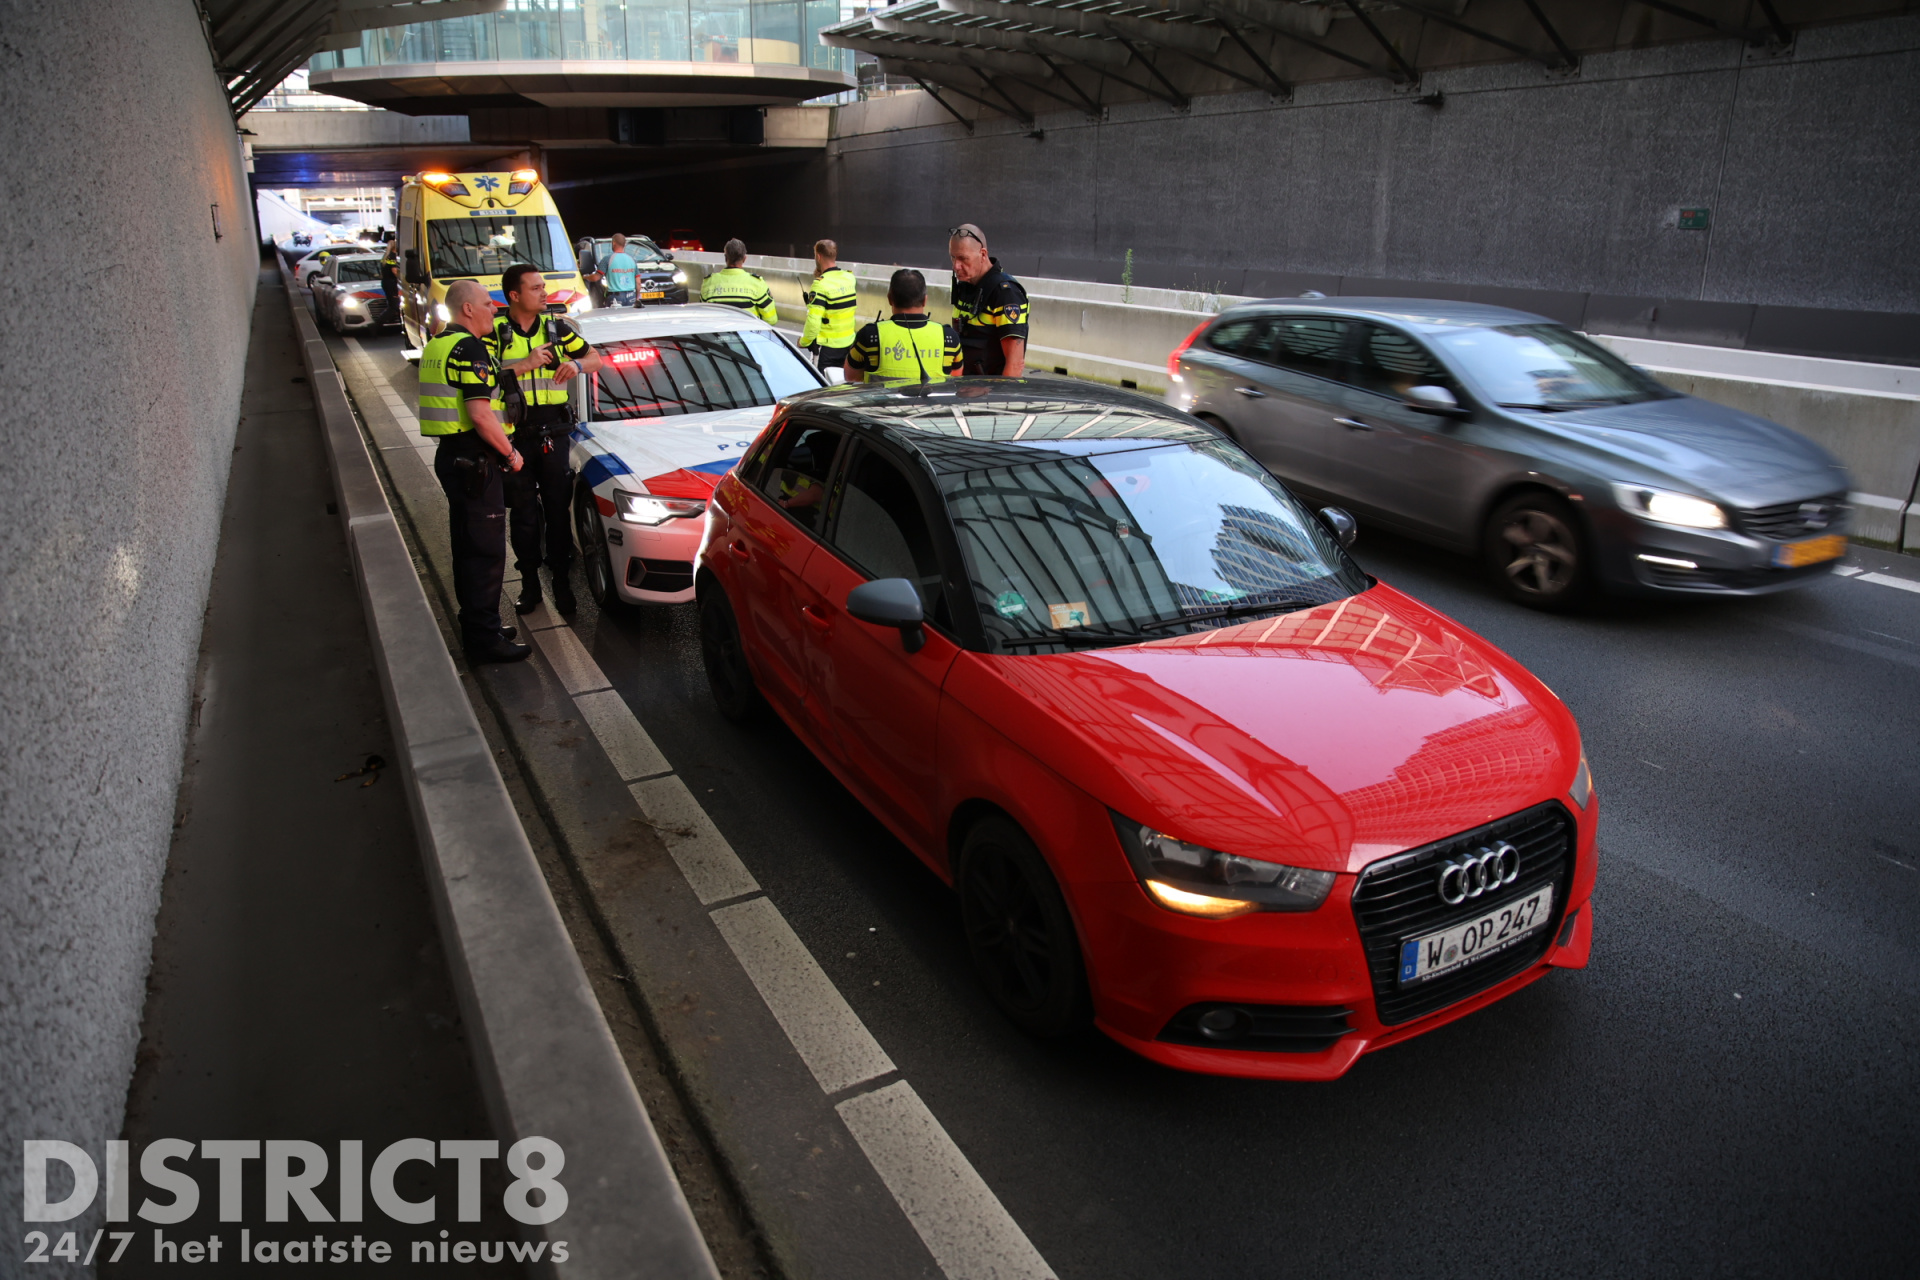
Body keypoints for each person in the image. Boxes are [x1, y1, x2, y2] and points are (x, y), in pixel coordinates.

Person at [416, 279, 551, 664]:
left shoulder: (438, 344)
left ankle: (478, 624)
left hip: (454, 458)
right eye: (486, 304)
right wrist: (510, 454)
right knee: (486, 552)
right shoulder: (469, 348)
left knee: (466, 546)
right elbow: (479, 414)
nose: (494, 308)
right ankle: (484, 639)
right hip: (475, 461)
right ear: (468, 310)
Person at [494, 263, 603, 616]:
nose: (545, 293)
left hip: (554, 432)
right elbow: (480, 380)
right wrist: (522, 365)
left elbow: (595, 357)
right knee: (524, 514)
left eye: (544, 287)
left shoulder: (556, 328)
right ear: (515, 295)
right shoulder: (493, 332)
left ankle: (561, 584)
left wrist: (578, 366)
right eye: (536, 288)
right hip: (515, 433)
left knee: (557, 511)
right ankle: (529, 585)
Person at [845, 269, 962, 385]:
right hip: (931, 404)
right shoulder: (949, 338)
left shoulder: (870, 336)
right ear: (925, 300)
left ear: (890, 299)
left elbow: (851, 377)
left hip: (882, 404)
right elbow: (955, 379)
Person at [947, 222, 1028, 377]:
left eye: (963, 259)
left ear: (983, 254)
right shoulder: (966, 286)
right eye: (953, 257)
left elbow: (1015, 364)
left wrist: (998, 400)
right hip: (965, 390)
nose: (956, 266)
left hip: (988, 396)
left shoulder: (1005, 294)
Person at [799, 238, 858, 384]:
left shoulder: (821, 285)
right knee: (844, 387)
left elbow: (813, 322)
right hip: (849, 345)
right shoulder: (849, 278)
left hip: (828, 349)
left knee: (824, 389)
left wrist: (804, 341)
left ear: (818, 256)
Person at [700, 240, 778, 323]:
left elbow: (703, 316)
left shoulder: (708, 282)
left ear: (726, 257)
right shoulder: (757, 283)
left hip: (718, 334)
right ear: (744, 259)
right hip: (748, 334)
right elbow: (771, 320)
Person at [604, 233, 638, 307]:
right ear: (624, 244)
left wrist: (585, 277)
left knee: (614, 317)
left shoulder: (608, 259)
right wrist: (637, 298)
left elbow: (596, 277)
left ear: (613, 243)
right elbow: (638, 282)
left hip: (615, 297)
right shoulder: (632, 259)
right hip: (631, 296)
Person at [379, 233, 400, 328]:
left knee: (392, 304)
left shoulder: (385, 256)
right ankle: (376, 325)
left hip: (385, 282)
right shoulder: (393, 256)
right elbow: (394, 271)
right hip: (391, 283)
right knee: (394, 306)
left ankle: (392, 322)